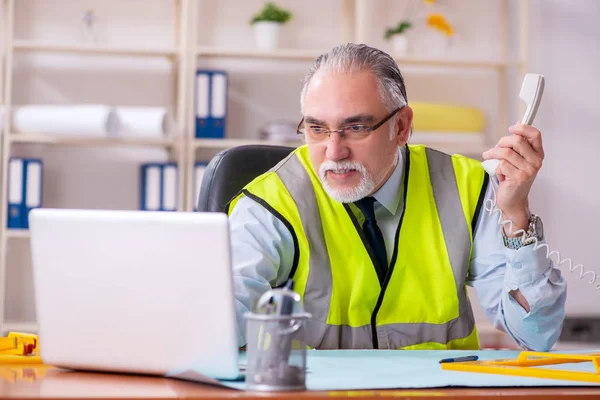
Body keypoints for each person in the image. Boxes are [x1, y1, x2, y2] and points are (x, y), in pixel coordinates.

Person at [226, 43, 566, 351]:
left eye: (356, 128)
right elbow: (221, 328)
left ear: (401, 127)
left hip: (441, 393)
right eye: (317, 128)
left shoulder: (466, 187)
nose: (334, 151)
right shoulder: (268, 203)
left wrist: (515, 214)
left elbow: (535, 333)